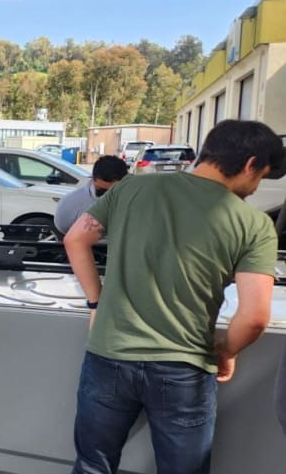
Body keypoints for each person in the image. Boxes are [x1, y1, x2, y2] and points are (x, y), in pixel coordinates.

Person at [64, 120, 283, 474]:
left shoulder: (132, 189)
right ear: (249, 164)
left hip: (108, 356)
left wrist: (96, 303)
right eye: (260, 177)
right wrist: (226, 351)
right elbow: (255, 316)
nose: (256, 189)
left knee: (93, 464)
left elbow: (75, 239)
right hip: (185, 369)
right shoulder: (254, 225)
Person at [54, 155, 128, 235]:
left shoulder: (132, 199)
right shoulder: (73, 203)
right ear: (93, 179)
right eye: (102, 190)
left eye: (113, 191)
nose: (107, 196)